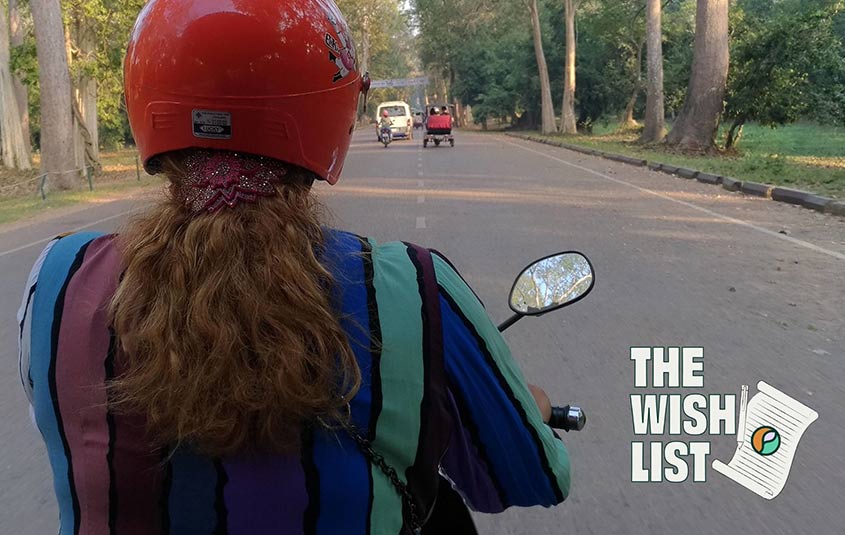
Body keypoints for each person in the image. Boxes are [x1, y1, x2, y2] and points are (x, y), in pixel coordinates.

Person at [16, 1, 570, 534]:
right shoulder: (414, 289)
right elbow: (532, 479)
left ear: (145, 102)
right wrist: (530, 408)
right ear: (329, 110)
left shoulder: (56, 281)